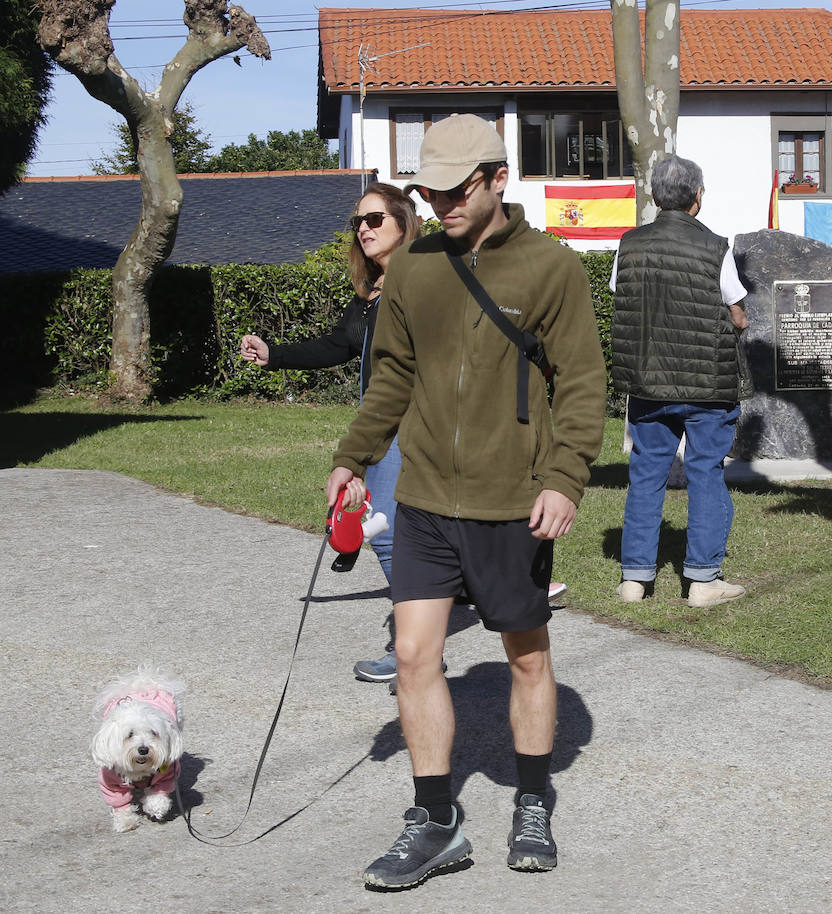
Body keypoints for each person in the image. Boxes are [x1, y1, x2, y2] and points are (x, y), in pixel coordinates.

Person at [325, 114, 605, 889]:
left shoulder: (552, 269)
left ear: (497, 179)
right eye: (430, 192)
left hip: (511, 501)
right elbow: (392, 376)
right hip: (423, 498)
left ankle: (532, 799)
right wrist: (354, 457)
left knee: (526, 657)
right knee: (415, 655)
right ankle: (436, 819)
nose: (441, 203)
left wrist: (564, 478)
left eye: (456, 189)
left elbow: (583, 384)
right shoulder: (413, 270)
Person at [241, 186, 568, 686]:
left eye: (375, 219)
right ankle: (439, 625)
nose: (363, 229)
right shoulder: (373, 291)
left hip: (417, 424)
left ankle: (416, 650)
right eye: (357, 222)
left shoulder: (431, 278)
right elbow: (339, 345)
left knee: (391, 532)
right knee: (397, 532)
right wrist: (275, 355)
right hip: (380, 425)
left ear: (404, 221)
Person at [608, 155, 750, 608]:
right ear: (697, 197)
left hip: (648, 379)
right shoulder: (715, 247)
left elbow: (619, 292)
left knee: (646, 473)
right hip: (706, 381)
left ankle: (635, 579)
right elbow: (737, 312)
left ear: (654, 196)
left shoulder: (629, 244)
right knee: (705, 472)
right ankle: (703, 581)